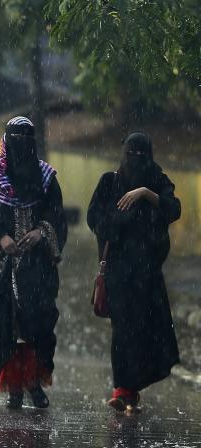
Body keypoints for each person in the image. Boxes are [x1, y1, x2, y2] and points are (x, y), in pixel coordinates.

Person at [0, 116, 67, 409]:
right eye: (16, 138)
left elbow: (57, 216)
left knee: (38, 325)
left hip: (37, 269)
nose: (20, 145)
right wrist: (1, 238)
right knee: (5, 326)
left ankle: (34, 382)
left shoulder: (46, 178)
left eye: (26, 139)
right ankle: (13, 384)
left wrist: (41, 232)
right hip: (1, 268)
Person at [87, 131, 181, 414]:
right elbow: (96, 220)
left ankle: (131, 389)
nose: (136, 161)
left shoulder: (158, 180)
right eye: (131, 155)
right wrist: (121, 218)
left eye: (142, 156)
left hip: (149, 273)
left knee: (146, 332)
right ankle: (121, 388)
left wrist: (145, 194)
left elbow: (173, 208)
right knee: (123, 330)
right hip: (118, 272)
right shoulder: (110, 182)